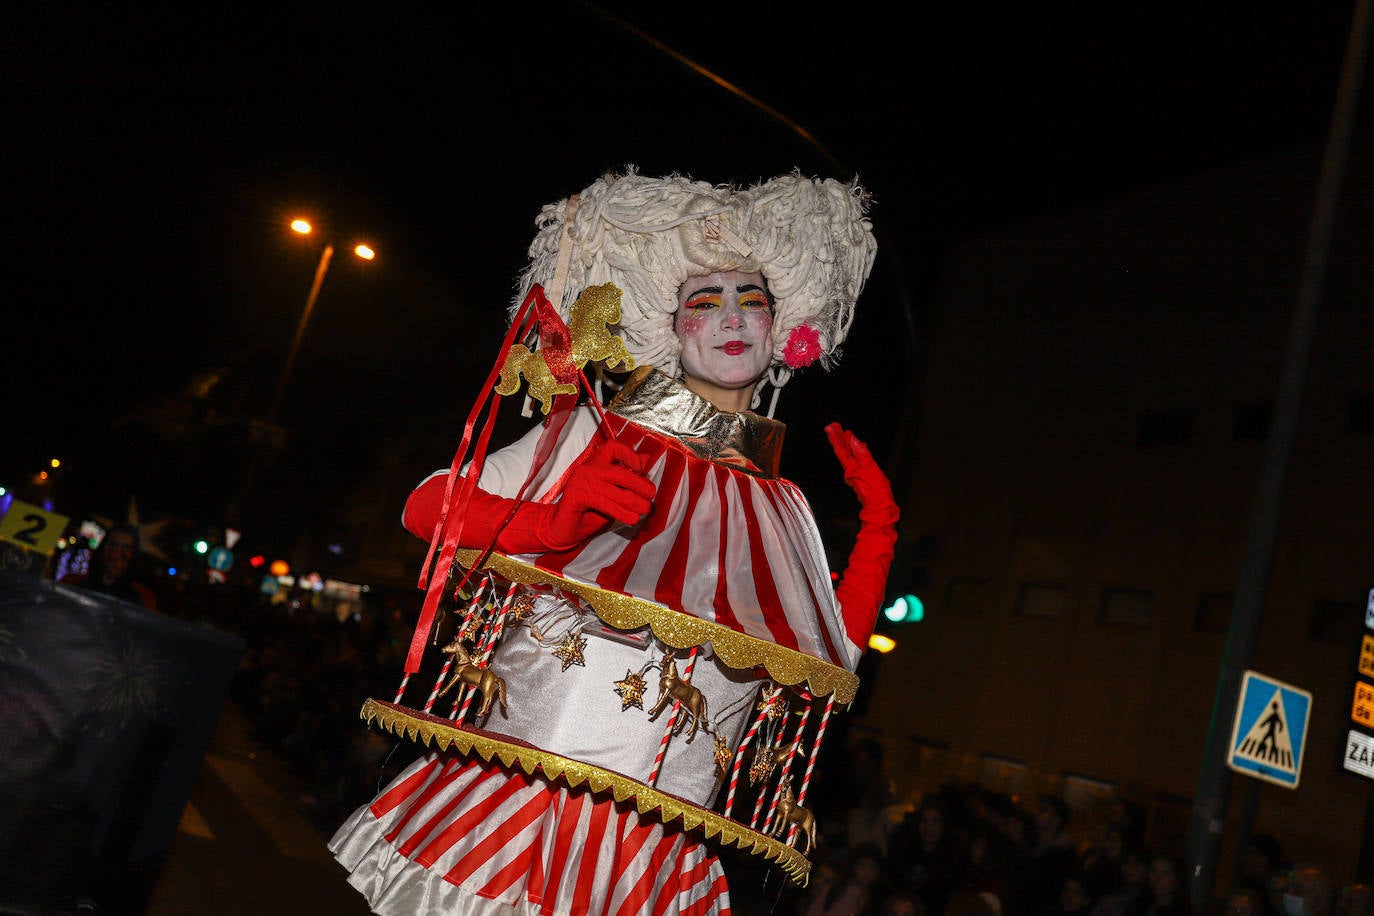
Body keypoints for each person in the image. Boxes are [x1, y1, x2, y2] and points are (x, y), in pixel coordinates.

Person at [329, 169, 896, 915]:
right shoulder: (603, 436)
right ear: (671, 326)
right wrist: (550, 526)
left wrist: (877, 538)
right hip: (526, 807)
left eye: (750, 301)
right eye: (706, 301)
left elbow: (829, 660)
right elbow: (426, 505)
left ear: (784, 332)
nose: (731, 317)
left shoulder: (782, 504)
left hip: (651, 855)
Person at [56, 523, 157, 611]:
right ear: (102, 548)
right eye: (113, 545)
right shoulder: (71, 583)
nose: (116, 554)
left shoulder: (144, 598)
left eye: (126, 548)